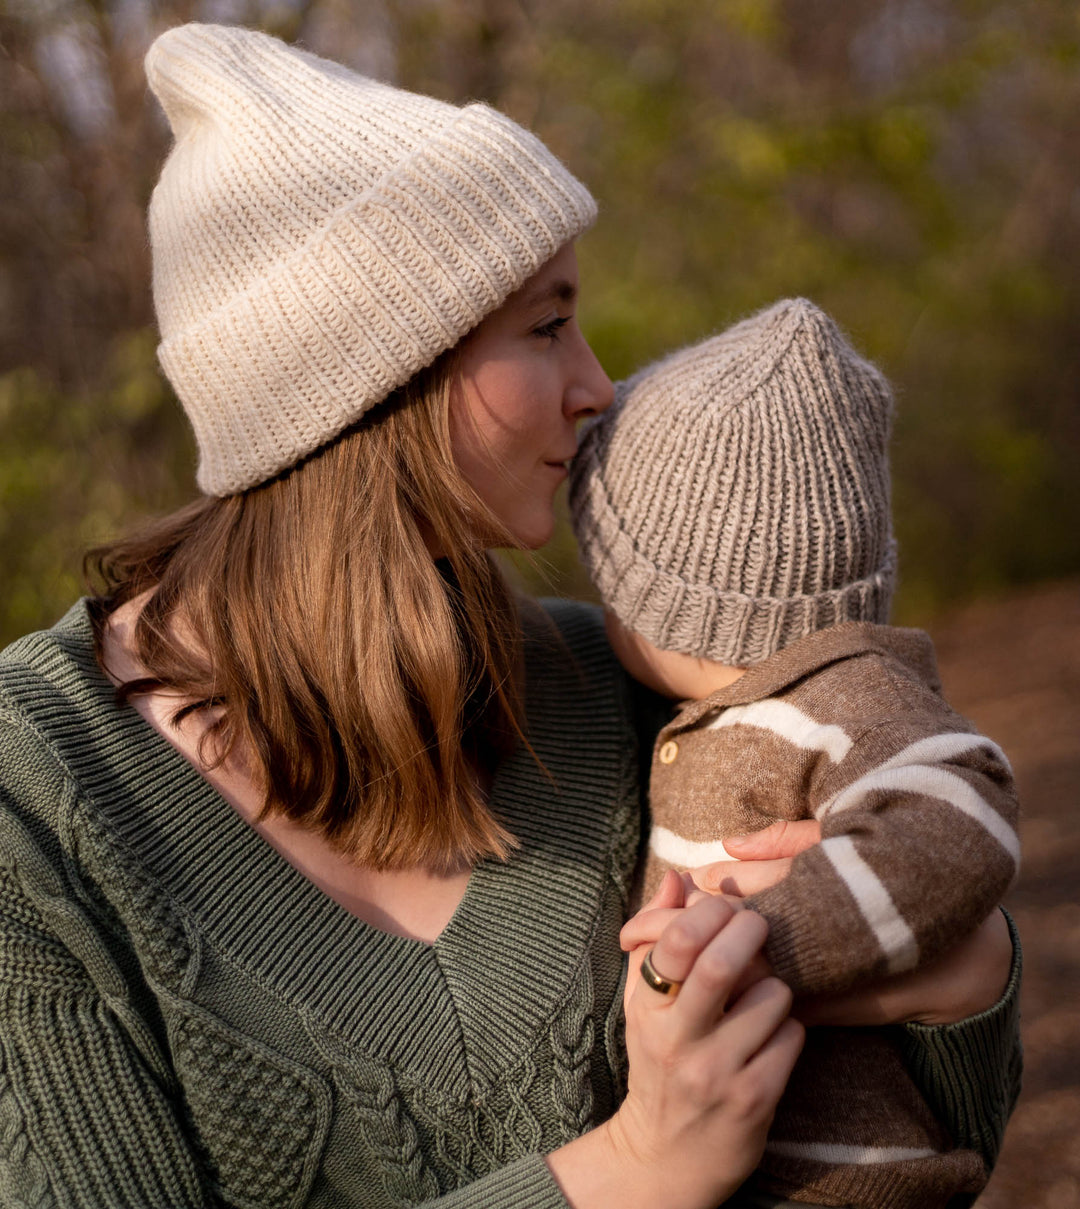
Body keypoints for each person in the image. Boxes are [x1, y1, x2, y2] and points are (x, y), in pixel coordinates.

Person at [0, 23, 1019, 1209]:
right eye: (545, 326)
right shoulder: (36, 801)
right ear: (374, 381)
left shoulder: (624, 692)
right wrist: (637, 1168)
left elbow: (924, 1138)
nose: (598, 386)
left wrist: (959, 974)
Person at [569, 299, 1021, 1208]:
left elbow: (963, 814)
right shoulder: (736, 712)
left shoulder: (850, 698)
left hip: (843, 1180)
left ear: (675, 608)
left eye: (612, 589)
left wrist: (766, 943)